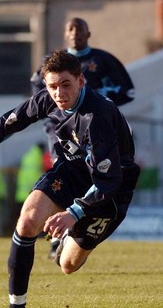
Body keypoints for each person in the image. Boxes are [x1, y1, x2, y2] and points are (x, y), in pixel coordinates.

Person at [0, 50, 140, 308]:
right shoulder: (48, 99)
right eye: (53, 86)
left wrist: (73, 214)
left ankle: (70, 239)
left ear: (81, 81)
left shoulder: (97, 115)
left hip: (112, 189)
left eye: (66, 84)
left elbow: (107, 182)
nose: (59, 93)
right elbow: (12, 120)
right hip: (72, 172)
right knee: (27, 220)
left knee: (68, 265)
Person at [31, 17, 135, 257]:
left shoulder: (102, 60)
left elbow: (128, 90)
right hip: (62, 130)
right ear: (65, 34)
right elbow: (37, 90)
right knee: (66, 173)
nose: (75, 32)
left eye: (80, 29)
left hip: (95, 128)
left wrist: (101, 100)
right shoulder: (53, 63)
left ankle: (72, 225)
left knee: (95, 175)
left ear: (88, 34)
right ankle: (59, 231)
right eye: (70, 28)